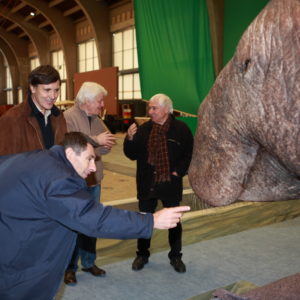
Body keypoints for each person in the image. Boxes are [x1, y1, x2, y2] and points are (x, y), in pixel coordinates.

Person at [0, 132, 190, 300]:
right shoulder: (58, 178)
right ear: (70, 154)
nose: (93, 167)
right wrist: (151, 220)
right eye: (89, 159)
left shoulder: (36, 158)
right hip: (18, 266)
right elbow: (93, 218)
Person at [123, 93, 194, 273]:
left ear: (166, 110)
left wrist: (179, 171)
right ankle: (142, 254)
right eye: (150, 108)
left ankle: (176, 256)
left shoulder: (181, 129)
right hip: (147, 183)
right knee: (144, 220)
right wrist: (129, 139)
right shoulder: (144, 130)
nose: (150, 111)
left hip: (170, 184)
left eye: (154, 108)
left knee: (174, 223)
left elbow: (189, 154)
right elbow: (131, 155)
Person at [63, 82, 116, 284]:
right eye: (100, 100)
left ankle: (89, 262)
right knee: (74, 225)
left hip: (94, 180)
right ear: (87, 100)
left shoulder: (97, 119)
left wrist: (101, 144)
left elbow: (106, 146)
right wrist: (96, 141)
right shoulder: (68, 117)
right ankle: (69, 267)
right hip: (76, 182)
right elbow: (71, 144)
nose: (103, 104)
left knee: (92, 223)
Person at [0, 64, 66, 155]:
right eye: (47, 90)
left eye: (56, 90)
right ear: (33, 88)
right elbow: (6, 163)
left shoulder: (58, 116)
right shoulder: (12, 119)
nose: (53, 96)